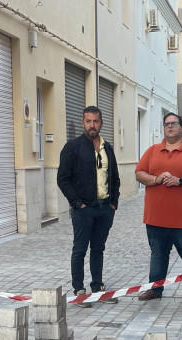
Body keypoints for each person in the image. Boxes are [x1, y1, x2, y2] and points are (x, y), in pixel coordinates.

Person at [135, 113, 182, 304]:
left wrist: (180, 181)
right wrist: (156, 179)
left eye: (174, 124)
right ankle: (155, 289)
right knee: (158, 256)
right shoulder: (152, 151)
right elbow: (139, 173)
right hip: (156, 218)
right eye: (167, 124)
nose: (170, 127)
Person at [57, 106, 121, 307]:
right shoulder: (72, 147)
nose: (92, 125)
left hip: (104, 208)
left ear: (101, 123)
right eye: (88, 121)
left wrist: (113, 204)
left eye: (96, 121)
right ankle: (79, 290)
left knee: (98, 249)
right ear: (83, 122)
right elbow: (63, 179)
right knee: (80, 249)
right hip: (84, 210)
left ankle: (98, 287)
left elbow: (115, 178)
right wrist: (78, 203)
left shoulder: (107, 147)